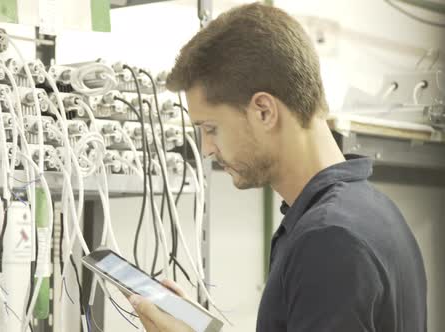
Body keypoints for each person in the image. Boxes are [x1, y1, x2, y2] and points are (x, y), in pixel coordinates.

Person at [128, 3, 428, 332]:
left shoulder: (329, 241)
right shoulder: (372, 212)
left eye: (211, 128)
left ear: (264, 111)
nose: (206, 149)